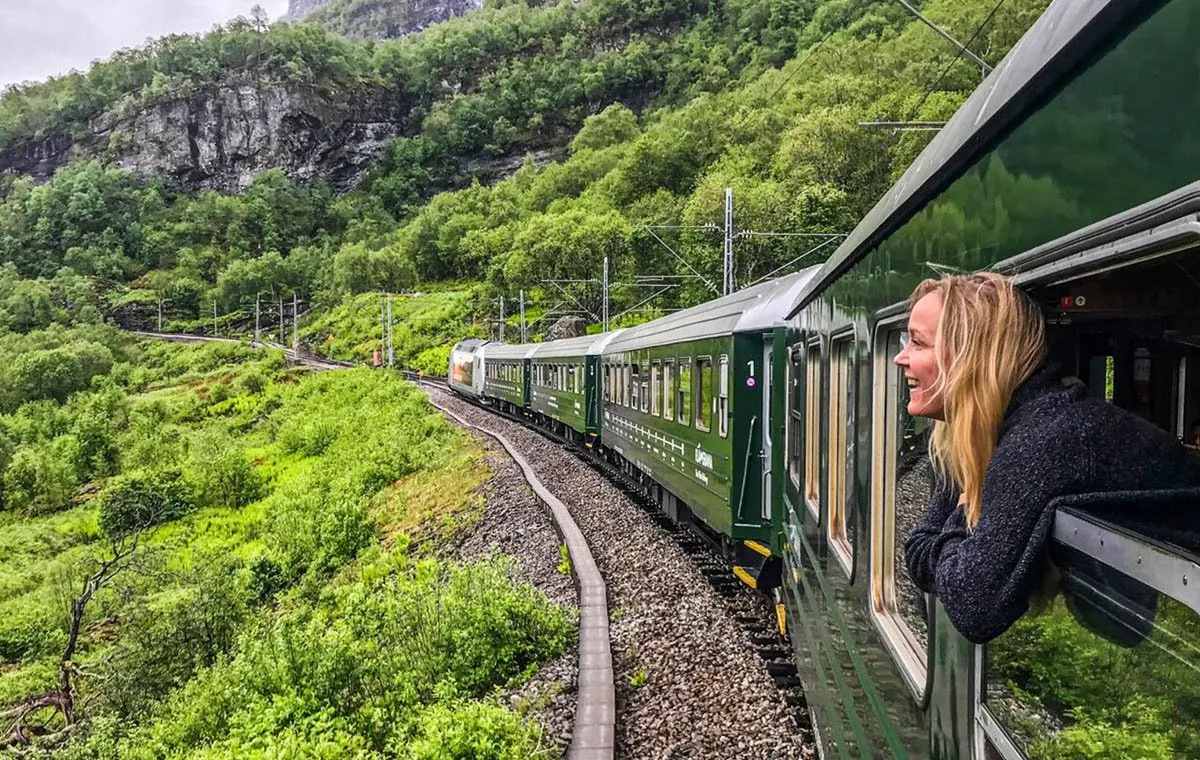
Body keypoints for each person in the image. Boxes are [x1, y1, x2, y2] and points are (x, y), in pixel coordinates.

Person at [897, 273, 1200, 644]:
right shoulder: (992, 430)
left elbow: (973, 607)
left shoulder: (1046, 439)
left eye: (917, 342)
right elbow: (918, 549)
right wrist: (960, 540)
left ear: (970, 356)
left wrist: (961, 518)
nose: (900, 358)